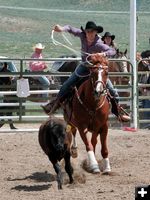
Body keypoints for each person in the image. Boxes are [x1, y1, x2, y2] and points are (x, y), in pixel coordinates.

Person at [42, 21, 130, 122]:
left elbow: (112, 51)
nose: (89, 33)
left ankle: (118, 112)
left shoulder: (99, 43)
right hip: (84, 66)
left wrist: (103, 54)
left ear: (95, 32)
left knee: (112, 90)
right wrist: (62, 28)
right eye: (88, 31)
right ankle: (54, 104)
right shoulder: (82, 35)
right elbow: (70, 28)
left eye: (91, 32)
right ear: (85, 32)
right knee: (68, 83)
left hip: (96, 69)